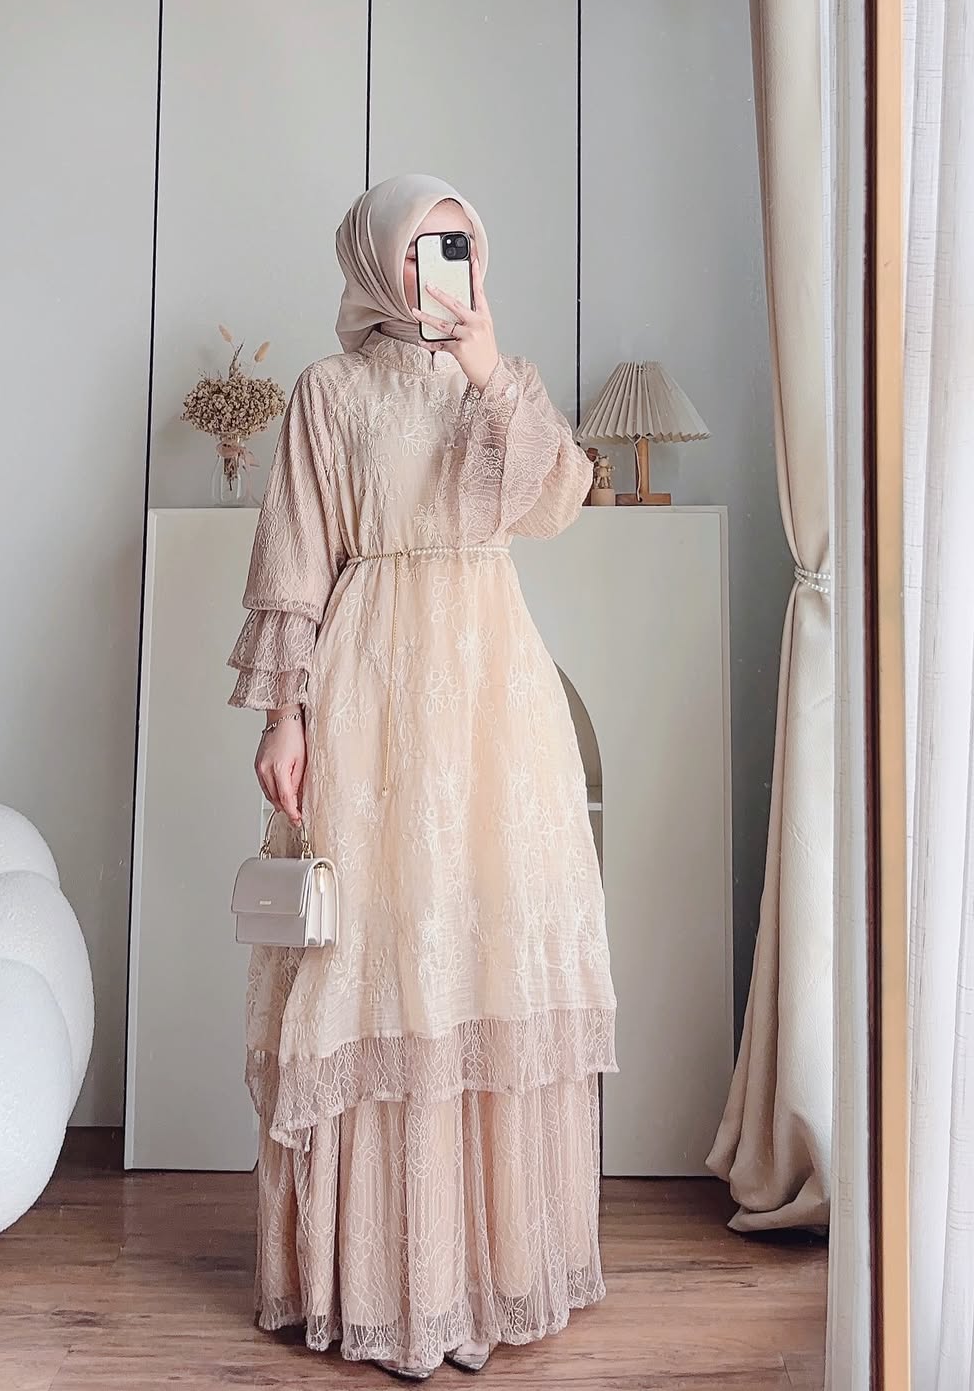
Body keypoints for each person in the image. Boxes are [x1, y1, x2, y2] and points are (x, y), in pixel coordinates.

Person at [227, 172, 617, 1381]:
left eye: (458, 244)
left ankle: (483, 1275)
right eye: (419, 247)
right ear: (371, 259)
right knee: (378, 958)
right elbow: (294, 555)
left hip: (494, 696)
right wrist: (283, 717)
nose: (441, 267)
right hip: (373, 690)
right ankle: (393, 1287)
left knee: (482, 946)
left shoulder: (494, 384)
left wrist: (492, 370)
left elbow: (557, 500)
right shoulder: (327, 391)